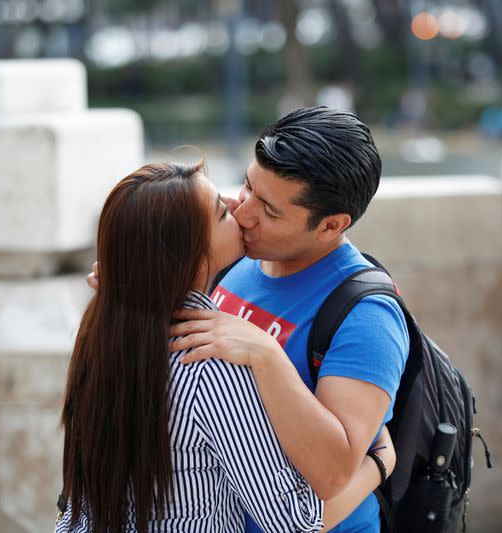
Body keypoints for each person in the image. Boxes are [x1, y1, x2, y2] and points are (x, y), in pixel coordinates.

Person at [58, 161, 395, 533]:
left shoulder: (103, 330)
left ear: (332, 224)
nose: (240, 207)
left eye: (266, 207)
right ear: (189, 256)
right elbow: (293, 523)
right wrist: (379, 464)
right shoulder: (210, 364)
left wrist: (130, 277)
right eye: (227, 208)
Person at [164, 107, 410, 532]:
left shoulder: (367, 316)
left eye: (270, 212)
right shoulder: (235, 255)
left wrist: (265, 353)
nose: (243, 214)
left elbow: (332, 475)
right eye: (247, 186)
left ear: (331, 225)